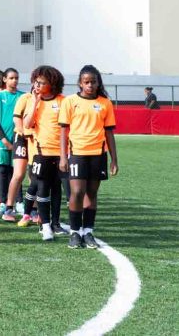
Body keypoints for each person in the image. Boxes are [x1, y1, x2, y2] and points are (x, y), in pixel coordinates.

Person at [59, 65, 119, 249]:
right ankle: (75, 232)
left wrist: (114, 159)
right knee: (77, 192)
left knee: (92, 193)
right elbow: (63, 131)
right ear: (80, 83)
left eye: (93, 82)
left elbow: (109, 133)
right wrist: (63, 157)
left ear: (98, 82)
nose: (90, 85)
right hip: (77, 153)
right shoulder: (70, 101)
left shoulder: (105, 103)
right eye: (86, 82)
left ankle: (88, 231)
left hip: (98, 155)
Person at [18, 65, 68, 237]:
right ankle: (44, 224)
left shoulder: (63, 101)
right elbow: (27, 124)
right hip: (41, 153)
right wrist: (35, 102)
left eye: (42, 83)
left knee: (56, 189)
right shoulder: (33, 102)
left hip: (60, 153)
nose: (37, 86)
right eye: (36, 82)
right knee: (42, 188)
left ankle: (55, 223)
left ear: (52, 84)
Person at [0, 68, 23, 216]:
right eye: (11, 78)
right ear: (4, 79)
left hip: (19, 141)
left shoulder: (23, 96)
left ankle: (19, 202)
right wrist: (4, 140)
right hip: (2, 142)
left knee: (18, 173)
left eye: (16, 78)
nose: (14, 80)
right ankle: (3, 202)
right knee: (4, 172)